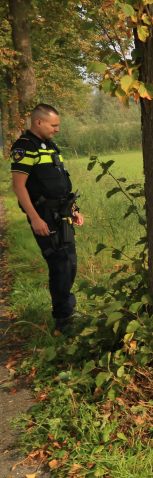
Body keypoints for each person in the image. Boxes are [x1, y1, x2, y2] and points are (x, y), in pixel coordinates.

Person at [10, 104, 84, 334]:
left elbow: (58, 183)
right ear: (39, 122)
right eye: (54, 125)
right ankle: (63, 319)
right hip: (43, 216)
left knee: (70, 263)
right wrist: (34, 218)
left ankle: (68, 309)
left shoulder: (50, 146)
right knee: (60, 264)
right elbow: (18, 186)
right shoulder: (24, 147)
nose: (57, 130)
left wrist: (73, 209)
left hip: (62, 214)